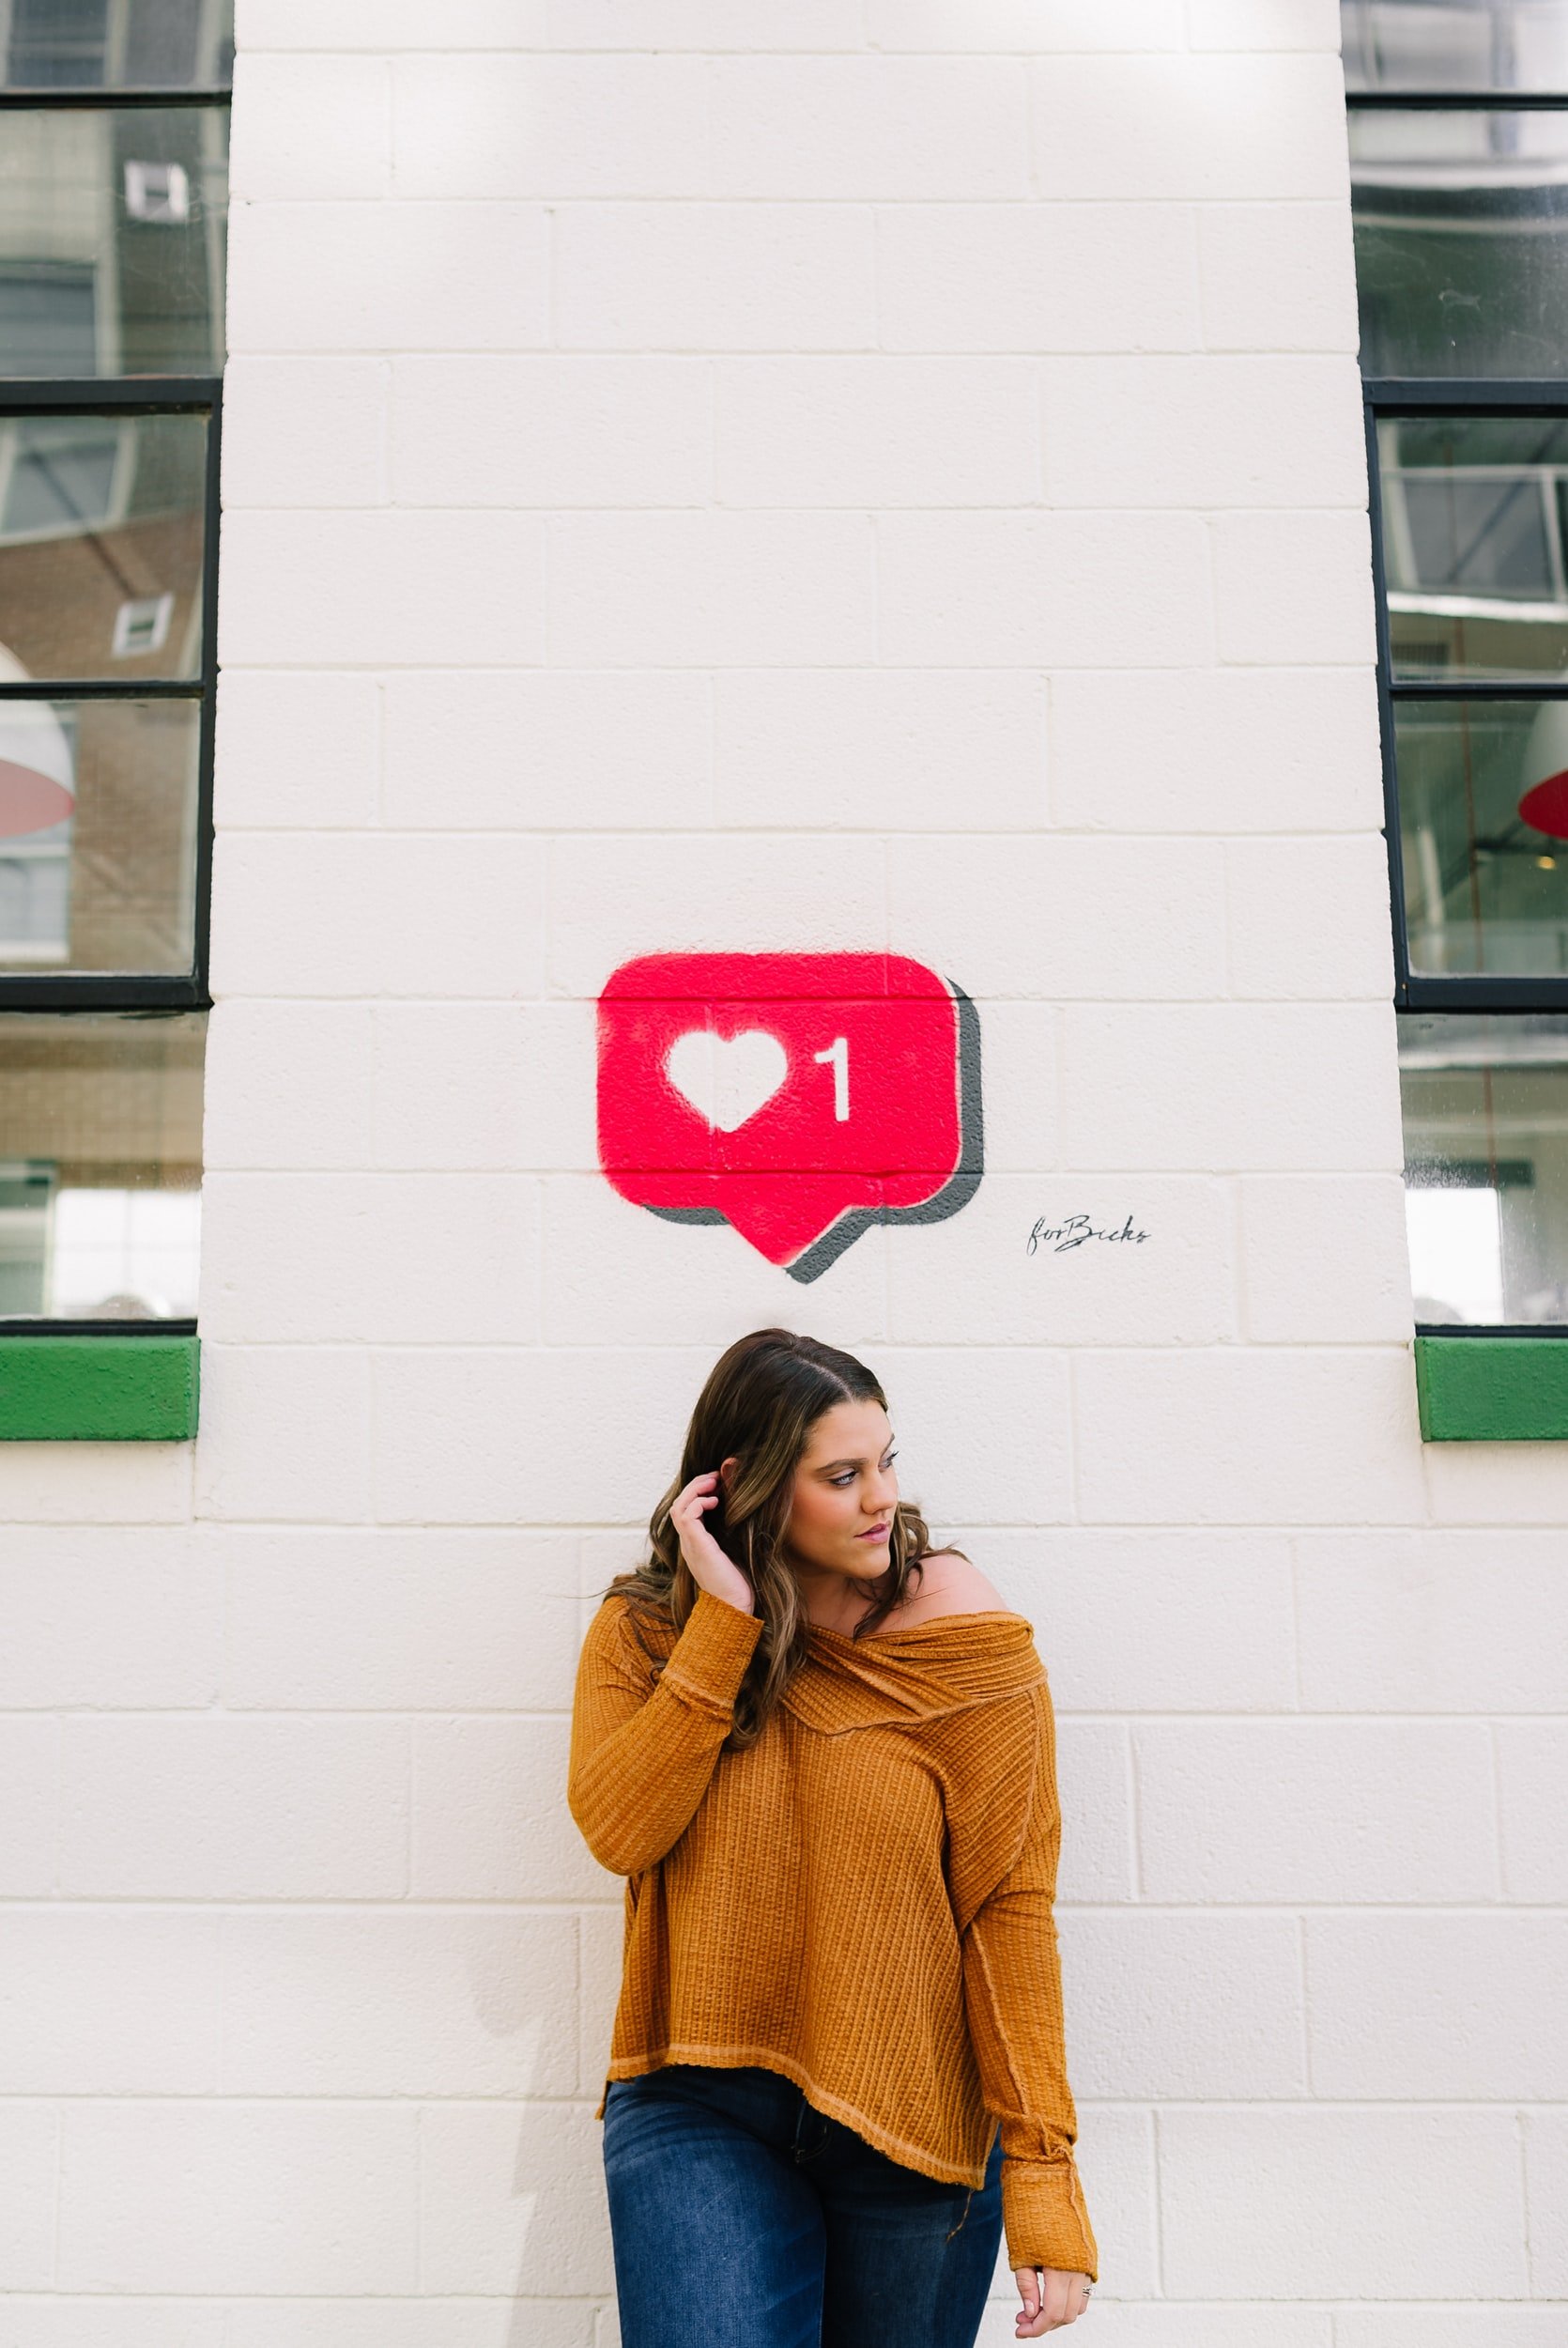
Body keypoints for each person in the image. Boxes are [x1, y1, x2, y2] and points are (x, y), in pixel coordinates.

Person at [567, 1327, 1097, 2346]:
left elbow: (1008, 1908)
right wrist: (721, 1624)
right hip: (698, 2106)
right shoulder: (646, 1630)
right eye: (841, 1474)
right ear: (746, 1485)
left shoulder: (960, 1637)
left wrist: (1042, 2172)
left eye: (886, 1460)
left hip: (912, 2124)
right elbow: (621, 1830)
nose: (880, 1498)